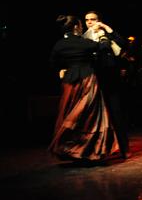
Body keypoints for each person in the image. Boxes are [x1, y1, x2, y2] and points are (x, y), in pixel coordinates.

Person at [49, 15, 120, 162]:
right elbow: (104, 47)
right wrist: (102, 37)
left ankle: (71, 148)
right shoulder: (84, 43)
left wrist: (63, 68)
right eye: (80, 25)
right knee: (91, 116)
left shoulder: (59, 44)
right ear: (76, 27)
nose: (82, 27)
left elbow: (53, 62)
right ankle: (89, 151)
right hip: (87, 80)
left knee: (71, 113)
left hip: (69, 83)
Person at [83, 10, 130, 159]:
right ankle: (100, 150)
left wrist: (106, 28)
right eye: (87, 20)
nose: (90, 22)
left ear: (99, 20)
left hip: (110, 79)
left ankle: (124, 148)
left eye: (93, 19)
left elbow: (123, 44)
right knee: (96, 117)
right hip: (94, 80)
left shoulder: (108, 33)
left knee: (116, 114)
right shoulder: (85, 37)